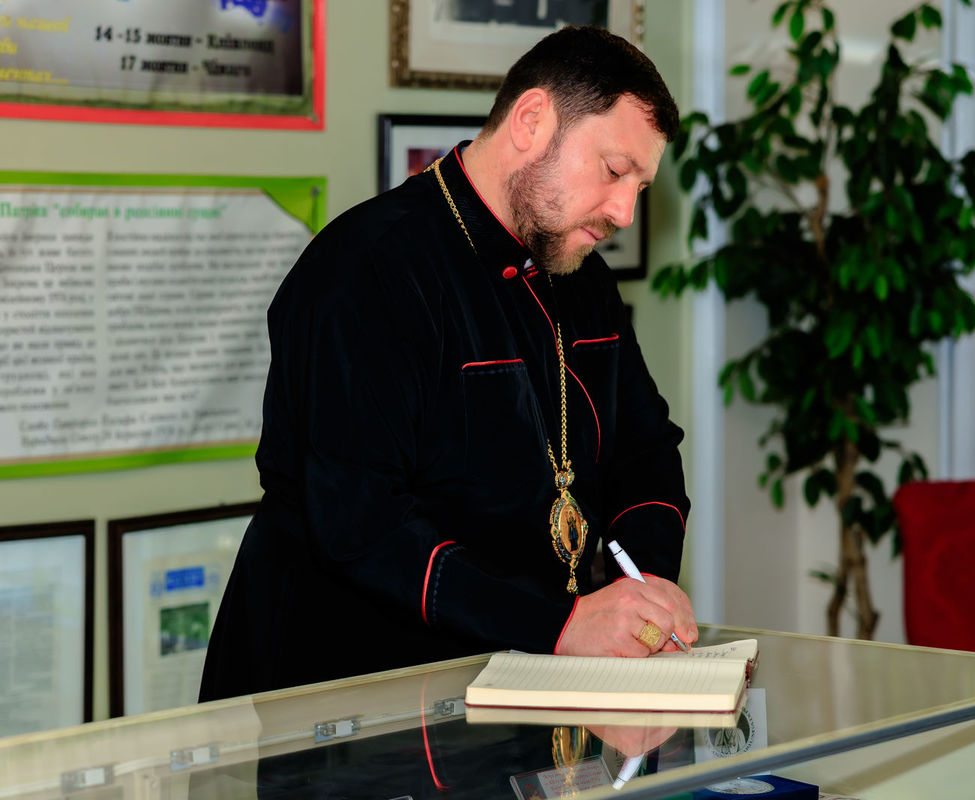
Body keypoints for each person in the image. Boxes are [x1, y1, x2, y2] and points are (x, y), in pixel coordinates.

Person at [198, 25, 696, 702]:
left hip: (524, 680)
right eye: (614, 171)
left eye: (640, 186)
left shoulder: (581, 278)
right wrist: (560, 624)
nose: (625, 212)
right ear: (531, 121)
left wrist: (645, 589)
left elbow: (645, 451)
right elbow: (361, 525)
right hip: (354, 695)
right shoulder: (367, 270)